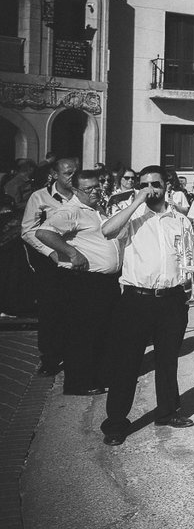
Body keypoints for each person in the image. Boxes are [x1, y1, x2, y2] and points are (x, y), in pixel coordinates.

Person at [99, 166, 194, 445]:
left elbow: (186, 255)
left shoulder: (179, 219)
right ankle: (116, 423)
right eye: (144, 184)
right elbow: (107, 231)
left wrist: (188, 288)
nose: (150, 188)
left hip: (171, 298)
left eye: (155, 183)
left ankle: (168, 411)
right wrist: (136, 201)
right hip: (136, 299)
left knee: (168, 360)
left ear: (166, 184)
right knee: (126, 363)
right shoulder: (131, 214)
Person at [33, 169, 120, 396]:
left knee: (103, 330)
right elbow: (43, 232)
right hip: (84, 281)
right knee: (82, 333)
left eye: (96, 187)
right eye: (88, 189)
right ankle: (78, 382)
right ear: (76, 189)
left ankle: (99, 375)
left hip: (104, 282)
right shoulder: (71, 210)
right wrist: (71, 253)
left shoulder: (95, 208)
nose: (94, 191)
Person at [21, 156, 81, 376]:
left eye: (75, 172)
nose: (72, 176)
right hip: (51, 263)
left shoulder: (80, 196)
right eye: (67, 173)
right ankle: (50, 358)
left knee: (75, 309)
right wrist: (51, 251)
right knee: (50, 311)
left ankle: (74, 354)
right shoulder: (40, 197)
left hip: (78, 261)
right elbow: (28, 230)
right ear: (54, 175)